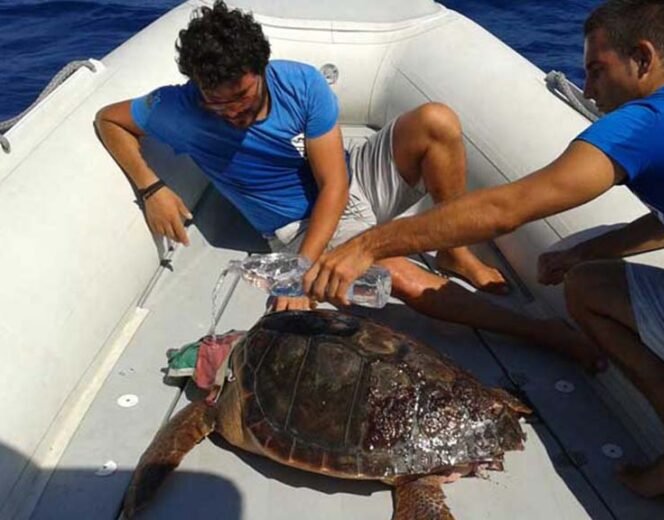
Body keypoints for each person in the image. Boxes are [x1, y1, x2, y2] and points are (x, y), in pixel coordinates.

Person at [304, 0, 664, 517]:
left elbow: (506, 208)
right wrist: (588, 251)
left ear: (643, 58)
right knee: (590, 288)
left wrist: (367, 244)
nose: (587, 90)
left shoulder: (650, 122)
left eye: (596, 69)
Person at [94, 1, 605, 371]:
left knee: (437, 121)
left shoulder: (301, 84)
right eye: (217, 102)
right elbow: (108, 120)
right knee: (403, 280)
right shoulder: (176, 108)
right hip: (295, 224)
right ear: (195, 87)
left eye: (244, 97)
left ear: (262, 69)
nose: (233, 113)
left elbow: (335, 183)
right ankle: (540, 332)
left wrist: (299, 275)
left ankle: (454, 251)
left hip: (349, 182)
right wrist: (150, 187)